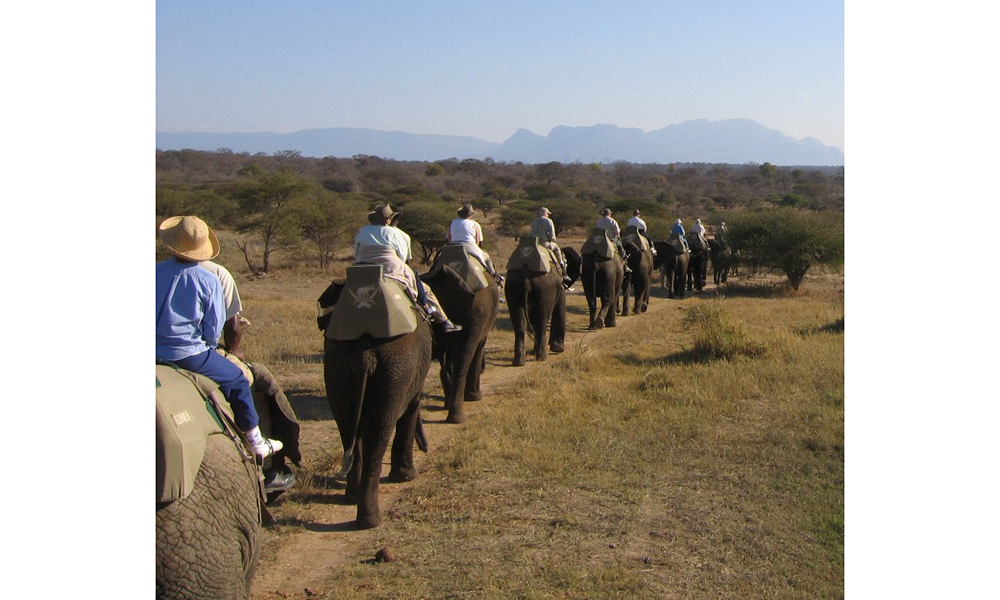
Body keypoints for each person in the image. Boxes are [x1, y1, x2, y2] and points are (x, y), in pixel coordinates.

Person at [156, 215, 283, 459]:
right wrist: (210, 345)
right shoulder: (209, 280)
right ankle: (255, 439)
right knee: (237, 379)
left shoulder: (155, 271)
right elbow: (214, 327)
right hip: (189, 355)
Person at [198, 259, 297, 493]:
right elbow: (232, 328)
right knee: (253, 379)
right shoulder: (216, 273)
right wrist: (234, 352)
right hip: (198, 353)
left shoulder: (159, 271)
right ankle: (266, 466)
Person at [354, 205, 461, 333]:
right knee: (425, 289)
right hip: (391, 267)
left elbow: (356, 253)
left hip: (362, 268)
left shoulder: (363, 231)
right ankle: (441, 320)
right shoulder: (395, 233)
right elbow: (402, 258)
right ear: (388, 219)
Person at [447, 203, 500, 281]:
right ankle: (494, 277)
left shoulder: (453, 223)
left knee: (439, 260)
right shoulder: (475, 224)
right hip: (470, 246)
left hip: (452, 246)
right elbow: (478, 242)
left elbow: (448, 239)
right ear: (471, 215)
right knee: (487, 258)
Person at [530, 207, 573, 288]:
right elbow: (552, 235)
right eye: (548, 213)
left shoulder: (534, 221)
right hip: (545, 243)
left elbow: (532, 232)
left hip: (535, 244)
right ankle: (562, 268)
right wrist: (552, 240)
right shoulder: (548, 221)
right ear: (545, 213)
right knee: (556, 248)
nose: (548, 215)